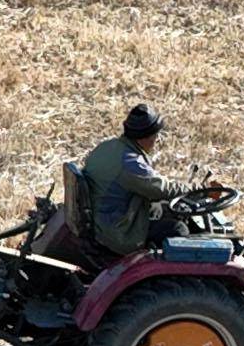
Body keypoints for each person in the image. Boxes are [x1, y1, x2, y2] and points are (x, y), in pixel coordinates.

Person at [78, 105, 187, 261]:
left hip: (102, 219)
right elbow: (161, 189)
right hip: (116, 232)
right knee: (178, 229)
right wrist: (197, 189)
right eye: (155, 136)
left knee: (159, 209)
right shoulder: (130, 163)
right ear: (145, 137)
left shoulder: (108, 147)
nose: (156, 140)